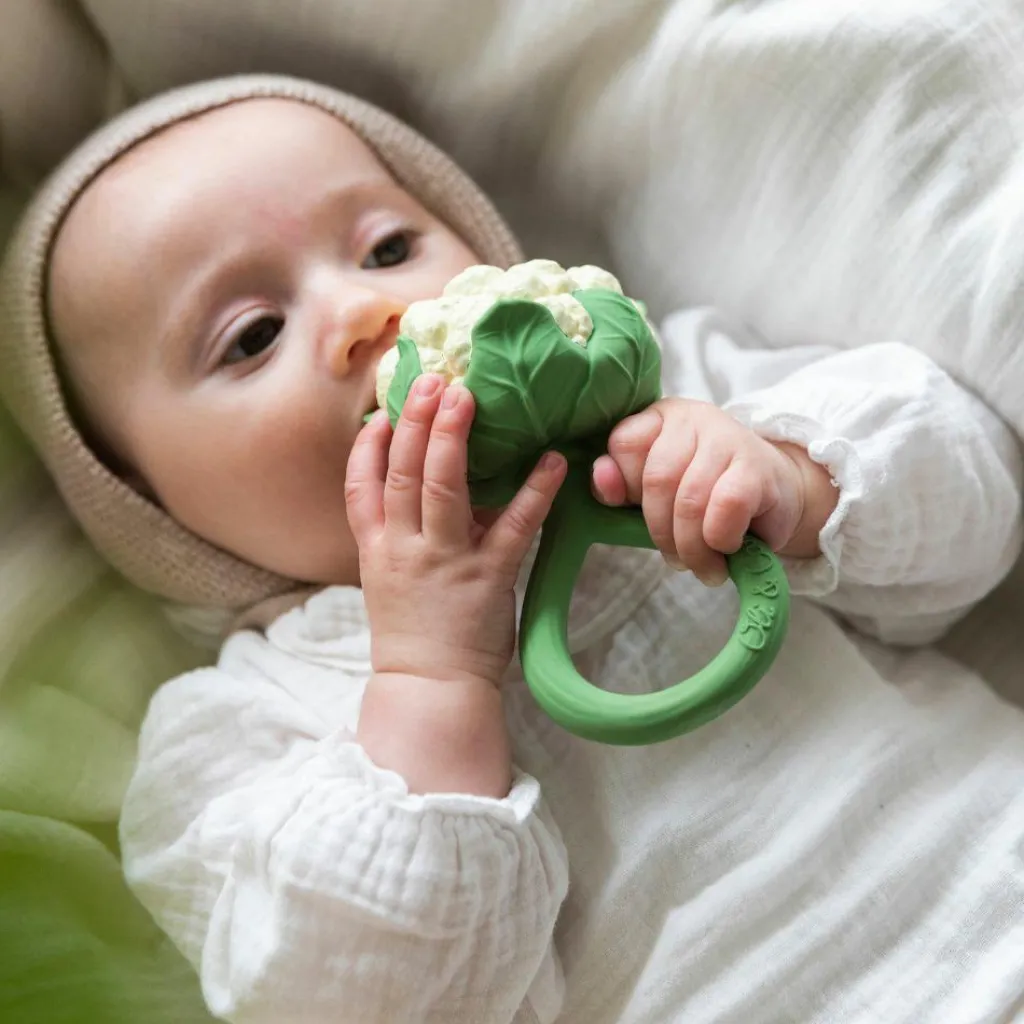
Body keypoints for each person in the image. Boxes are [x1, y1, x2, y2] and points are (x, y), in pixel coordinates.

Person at [2, 75, 1023, 1024]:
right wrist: (430, 681)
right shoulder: (239, 730)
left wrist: (791, 481)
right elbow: (352, 996)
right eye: (253, 335)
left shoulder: (689, 407)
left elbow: (976, 512)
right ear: (144, 499)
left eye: (388, 248)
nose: (366, 312)